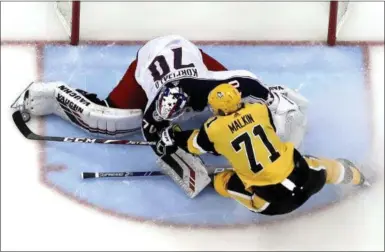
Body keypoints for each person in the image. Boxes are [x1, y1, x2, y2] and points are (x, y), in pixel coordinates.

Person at [11, 35, 308, 198]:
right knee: (104, 123)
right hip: (148, 62)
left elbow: (267, 96)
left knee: (263, 112)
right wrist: (187, 157)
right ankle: (50, 94)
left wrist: (278, 120)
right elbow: (176, 158)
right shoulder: (153, 113)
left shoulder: (228, 85)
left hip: (195, 59)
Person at [156, 83, 369, 214]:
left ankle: (215, 181)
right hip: (306, 180)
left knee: (225, 183)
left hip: (272, 203)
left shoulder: (213, 128)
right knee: (326, 167)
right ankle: (360, 178)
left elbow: (195, 145)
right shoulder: (259, 109)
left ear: (216, 109)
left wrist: (173, 136)